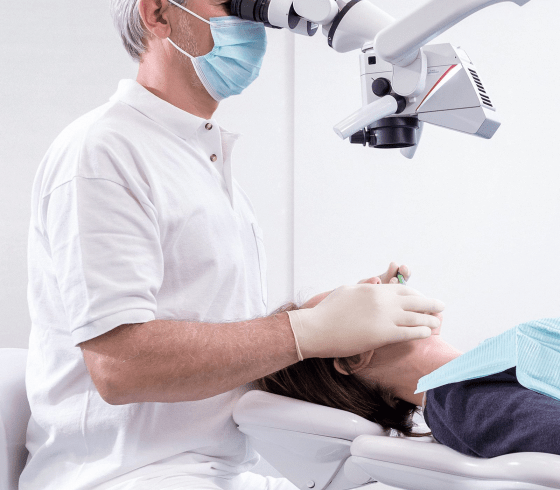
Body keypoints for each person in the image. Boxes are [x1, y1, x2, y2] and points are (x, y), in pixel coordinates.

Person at [21, 1, 445, 489]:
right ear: (158, 14)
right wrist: (305, 330)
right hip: (126, 475)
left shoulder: (199, 158)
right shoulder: (104, 151)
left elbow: (213, 338)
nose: (254, 22)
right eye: (231, 3)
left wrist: (337, 317)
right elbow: (120, 365)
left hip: (218, 469)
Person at [255, 290, 560, 458]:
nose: (380, 286)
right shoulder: (464, 404)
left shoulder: (485, 369)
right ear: (354, 357)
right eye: (360, 297)